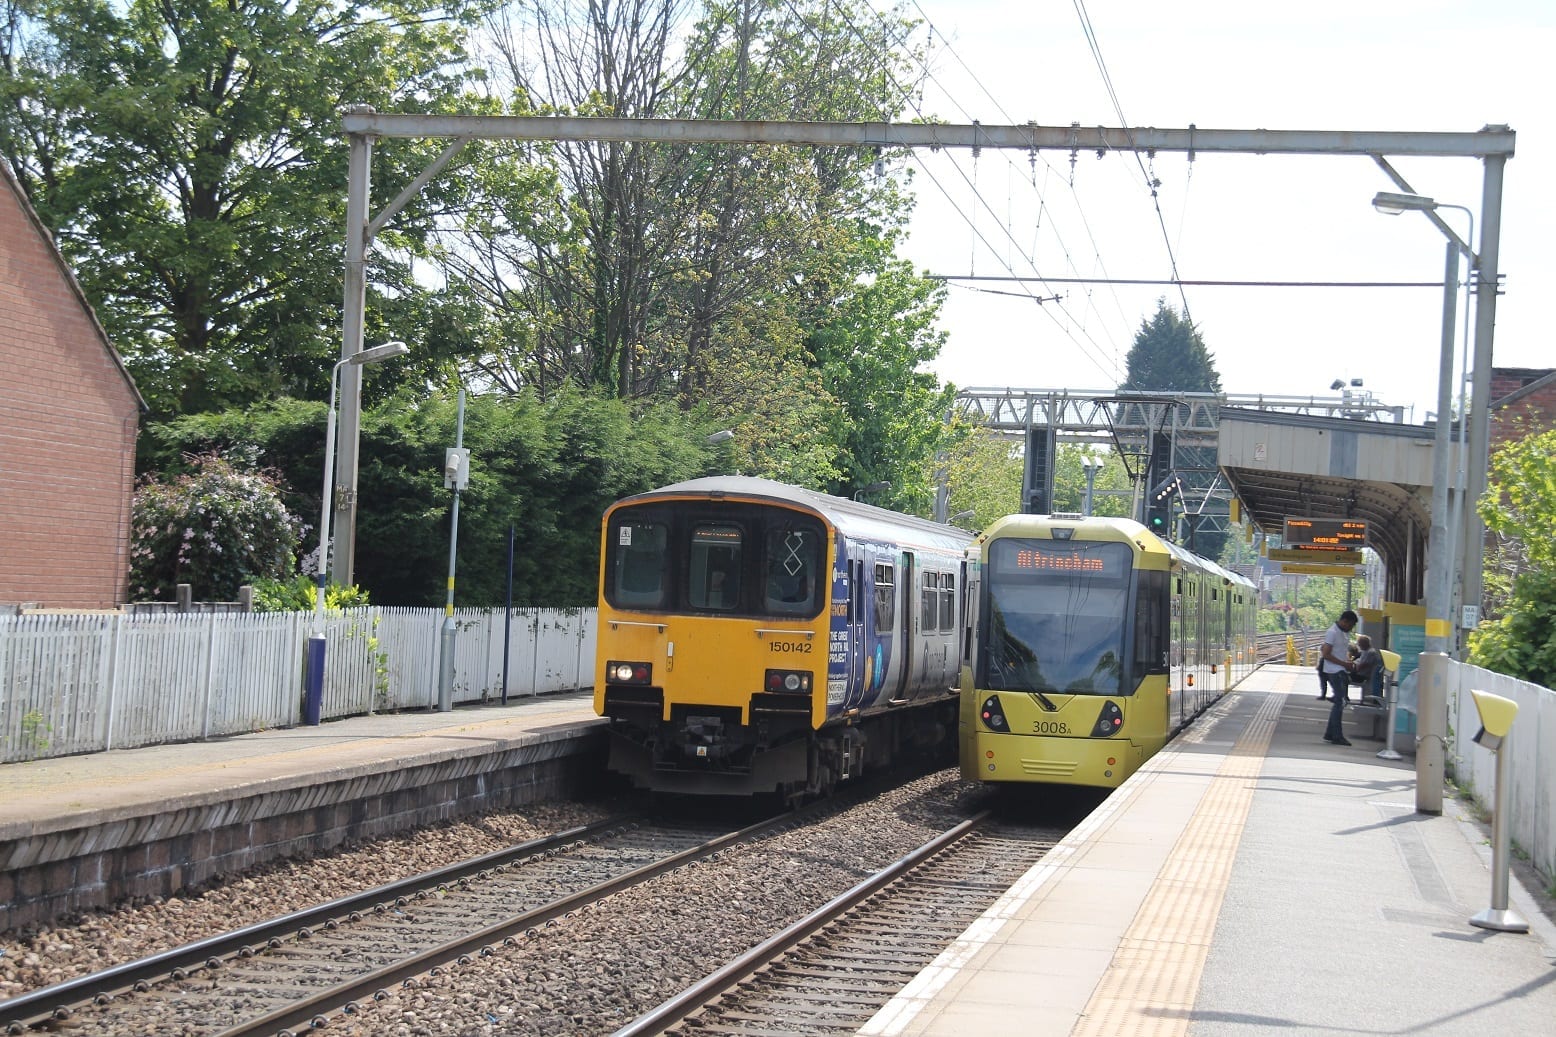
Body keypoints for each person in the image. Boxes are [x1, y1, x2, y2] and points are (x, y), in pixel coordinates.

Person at [1320, 609, 1358, 746]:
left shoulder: (1342, 632)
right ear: (1344, 621)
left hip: (1340, 670)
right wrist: (1344, 664)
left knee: (1339, 702)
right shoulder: (1333, 632)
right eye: (1350, 625)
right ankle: (1336, 735)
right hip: (1334, 671)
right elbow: (1326, 654)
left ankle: (1330, 734)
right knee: (1340, 702)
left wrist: (1346, 663)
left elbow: (1339, 651)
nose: (1351, 628)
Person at [1350, 634, 1384, 701]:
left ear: (1364, 644)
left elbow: (1363, 665)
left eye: (1359, 644)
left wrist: (1354, 668)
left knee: (1342, 676)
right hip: (1360, 673)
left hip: (1362, 675)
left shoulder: (1370, 652)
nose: (1359, 646)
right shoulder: (1365, 651)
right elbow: (1359, 661)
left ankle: (1342, 697)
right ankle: (1343, 696)